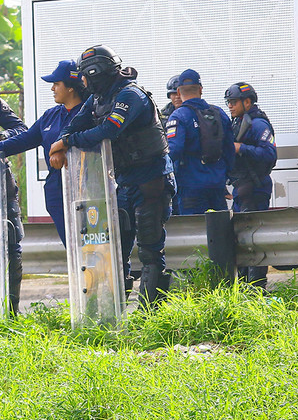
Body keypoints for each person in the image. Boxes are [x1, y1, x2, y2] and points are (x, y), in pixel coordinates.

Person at [50, 45, 175, 308]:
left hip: (152, 179)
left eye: (84, 75)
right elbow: (76, 123)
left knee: (150, 248)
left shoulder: (130, 95)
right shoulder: (98, 98)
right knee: (116, 250)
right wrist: (63, 140)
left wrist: (69, 141)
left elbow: (108, 130)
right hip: (125, 181)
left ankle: (152, 313)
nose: (82, 81)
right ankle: (114, 310)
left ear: (96, 73)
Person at [0, 59, 88, 245]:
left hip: (86, 187)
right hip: (56, 189)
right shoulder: (51, 115)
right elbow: (23, 140)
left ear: (71, 87)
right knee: (72, 245)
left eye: (56, 84)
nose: (52, 89)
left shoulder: (90, 113)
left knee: (91, 242)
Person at [225, 82, 277, 288]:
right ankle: (247, 286)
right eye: (228, 102)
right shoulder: (238, 122)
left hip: (255, 187)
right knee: (242, 240)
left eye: (234, 102)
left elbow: (270, 154)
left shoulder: (258, 124)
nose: (230, 106)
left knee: (253, 239)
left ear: (247, 102)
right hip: (241, 188)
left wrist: (242, 148)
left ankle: (256, 286)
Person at [166, 69, 234, 216]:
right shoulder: (219, 113)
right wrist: (224, 176)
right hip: (217, 184)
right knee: (220, 230)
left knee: (195, 232)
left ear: (178, 91)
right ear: (201, 89)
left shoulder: (178, 116)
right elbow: (229, 150)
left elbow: (174, 151)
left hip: (190, 186)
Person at [0, 97, 27, 314]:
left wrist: (3, 136)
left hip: (2, 185)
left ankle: (11, 314)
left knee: (12, 244)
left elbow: (20, 129)